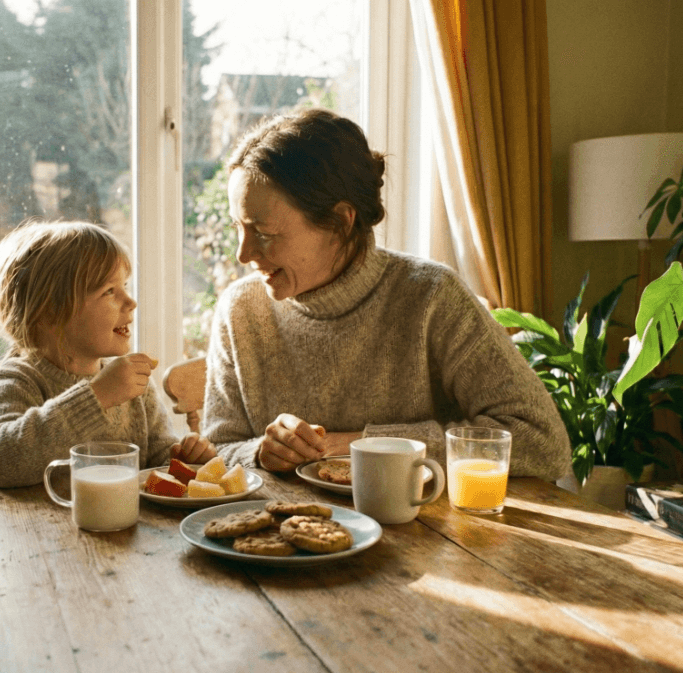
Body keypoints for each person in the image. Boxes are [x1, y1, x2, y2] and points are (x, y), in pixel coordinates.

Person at [201, 108, 570, 480]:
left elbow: (542, 443)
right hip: (281, 529)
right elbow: (213, 452)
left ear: (341, 221)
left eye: (263, 232)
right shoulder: (239, 311)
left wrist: (362, 445)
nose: (243, 254)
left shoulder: (432, 297)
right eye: (238, 227)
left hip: (424, 532)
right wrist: (261, 453)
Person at [0, 220, 218, 488]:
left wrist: (184, 458)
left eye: (125, 286)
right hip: (39, 528)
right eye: (109, 292)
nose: (130, 302)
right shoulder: (18, 380)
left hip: (123, 524)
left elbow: (158, 460)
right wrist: (96, 397)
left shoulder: (135, 385)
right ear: (49, 313)